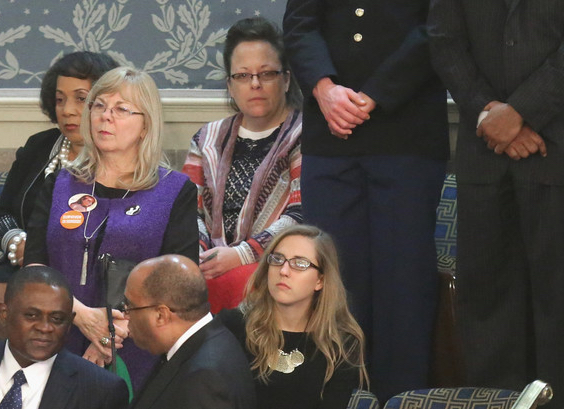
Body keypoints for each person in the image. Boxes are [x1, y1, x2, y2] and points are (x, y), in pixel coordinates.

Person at [282, 1, 450, 402]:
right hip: (330, 138)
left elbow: (438, 25)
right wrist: (325, 89)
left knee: (404, 287)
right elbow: (300, 24)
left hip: (408, 137)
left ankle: (401, 398)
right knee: (334, 283)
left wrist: (374, 95)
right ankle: (337, 397)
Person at [24, 66, 199, 394]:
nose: (106, 116)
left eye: (121, 109)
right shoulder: (59, 184)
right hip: (55, 331)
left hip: (140, 342)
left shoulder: (176, 190)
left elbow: (180, 280)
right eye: (99, 105)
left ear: (146, 123)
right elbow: (34, 266)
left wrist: (110, 336)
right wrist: (83, 317)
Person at [428, 1, 564, 407]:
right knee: (488, 309)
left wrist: (523, 112)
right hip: (483, 153)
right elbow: (444, 40)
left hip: (556, 147)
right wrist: (489, 112)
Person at [0, 51, 119, 339]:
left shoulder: (121, 154)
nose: (67, 110)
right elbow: (0, 217)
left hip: (93, 270)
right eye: (60, 99)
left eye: (80, 98)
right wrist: (18, 243)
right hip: (27, 269)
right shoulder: (38, 148)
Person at [182, 17, 303, 314]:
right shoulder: (207, 137)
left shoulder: (306, 134)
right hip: (209, 262)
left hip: (279, 265)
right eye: (242, 75)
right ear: (230, 85)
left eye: (267, 74)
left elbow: (302, 214)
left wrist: (241, 255)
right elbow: (187, 208)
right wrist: (201, 255)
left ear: (286, 79)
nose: (255, 84)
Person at [219, 225, 367, 409]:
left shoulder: (341, 343)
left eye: (299, 263)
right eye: (278, 259)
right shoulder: (233, 325)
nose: (284, 270)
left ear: (320, 280)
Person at [0, 265, 128, 409]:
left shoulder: (100, 391)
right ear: (4, 315)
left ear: (70, 322)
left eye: (57, 319)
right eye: (32, 316)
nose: (45, 328)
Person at [124, 254, 256, 409]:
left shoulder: (204, 381)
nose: (126, 315)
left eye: (130, 306)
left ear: (161, 315)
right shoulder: (213, 338)